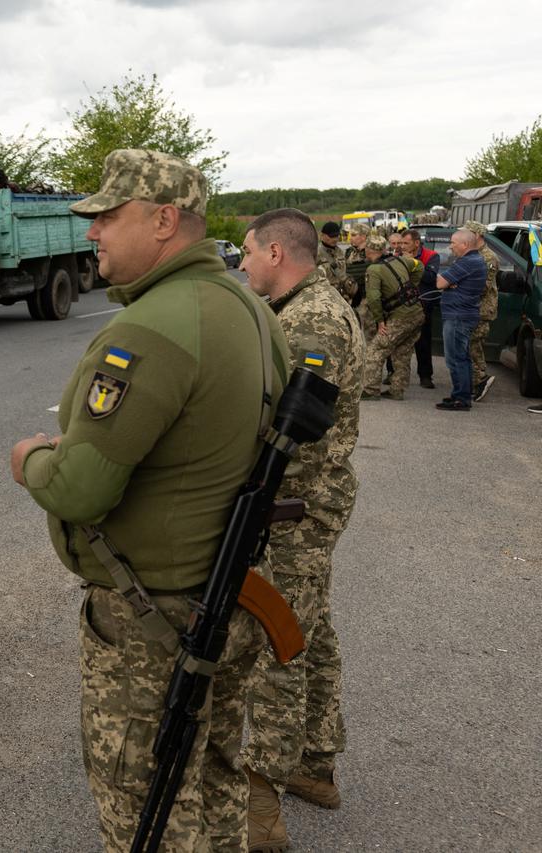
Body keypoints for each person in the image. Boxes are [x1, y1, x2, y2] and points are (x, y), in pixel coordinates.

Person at [10, 149, 290, 851]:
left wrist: (30, 459)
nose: (92, 232)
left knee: (148, 809)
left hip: (153, 617)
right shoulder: (250, 310)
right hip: (221, 598)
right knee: (216, 784)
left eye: (108, 216)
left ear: (165, 220)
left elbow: (80, 486)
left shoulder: (150, 328)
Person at [239, 209, 364, 852]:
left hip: (295, 508)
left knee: (276, 640)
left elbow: (299, 437)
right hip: (309, 506)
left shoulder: (310, 317)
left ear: (279, 253)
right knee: (310, 630)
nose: (243, 263)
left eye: (249, 251)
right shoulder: (309, 306)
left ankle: (262, 802)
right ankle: (316, 762)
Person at [360, 235, 424, 400]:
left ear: (369, 250)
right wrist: (412, 286)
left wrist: (380, 320)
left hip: (400, 318)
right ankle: (397, 390)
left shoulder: (373, 270)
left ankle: (370, 390)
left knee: (376, 350)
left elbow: (373, 298)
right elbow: (420, 266)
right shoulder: (401, 260)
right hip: (417, 313)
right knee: (402, 352)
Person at [435, 229, 487, 410]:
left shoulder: (467, 262)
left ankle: (462, 399)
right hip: (461, 315)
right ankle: (459, 394)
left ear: (464, 245)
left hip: (458, 317)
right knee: (459, 357)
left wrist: (447, 282)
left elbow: (440, 283)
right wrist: (450, 282)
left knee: (456, 358)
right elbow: (446, 282)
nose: (450, 247)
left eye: (453, 243)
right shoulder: (472, 260)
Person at [463, 220, 499, 401]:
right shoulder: (474, 254)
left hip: (481, 309)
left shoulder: (488, 257)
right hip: (472, 307)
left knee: (473, 345)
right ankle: (475, 380)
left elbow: (483, 286)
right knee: (470, 345)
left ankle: (480, 379)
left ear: (477, 235)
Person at [402, 229, 440, 389]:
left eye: (406, 243)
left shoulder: (432, 256)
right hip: (403, 305)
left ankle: (425, 376)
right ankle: (396, 376)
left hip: (423, 304)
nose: (402, 246)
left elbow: (430, 278)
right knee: (400, 343)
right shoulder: (398, 256)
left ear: (416, 243)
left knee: (423, 341)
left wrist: (413, 263)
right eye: (402, 243)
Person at [316, 221, 351, 302]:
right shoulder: (316, 254)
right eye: (332, 236)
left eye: (337, 236)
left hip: (342, 296)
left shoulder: (341, 252)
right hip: (325, 297)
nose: (335, 239)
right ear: (322, 236)